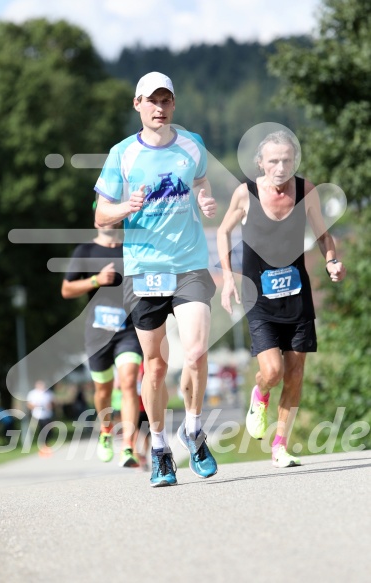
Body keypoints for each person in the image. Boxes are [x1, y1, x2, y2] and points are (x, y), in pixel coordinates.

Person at [94, 71, 218, 487]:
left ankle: (195, 431)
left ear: (173, 105)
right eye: (152, 101)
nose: (159, 108)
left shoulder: (191, 145)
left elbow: (200, 180)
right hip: (145, 269)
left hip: (189, 263)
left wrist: (204, 197)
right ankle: (162, 447)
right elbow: (100, 215)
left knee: (197, 351)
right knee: (156, 365)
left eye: (166, 101)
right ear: (137, 105)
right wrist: (125, 207)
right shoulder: (122, 155)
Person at [217, 130, 346, 468]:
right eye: (273, 160)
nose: (280, 167)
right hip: (259, 297)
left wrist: (331, 260)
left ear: (295, 162)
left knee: (296, 371)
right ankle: (259, 396)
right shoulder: (245, 194)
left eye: (287, 160)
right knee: (272, 371)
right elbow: (222, 231)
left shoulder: (306, 191)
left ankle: (280, 445)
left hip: (297, 294)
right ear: (261, 163)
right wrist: (228, 277)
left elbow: (322, 234)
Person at [61, 225, 143, 468]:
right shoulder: (85, 250)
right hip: (97, 332)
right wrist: (96, 280)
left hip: (128, 328)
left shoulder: (131, 249)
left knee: (128, 382)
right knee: (103, 392)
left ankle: (128, 445)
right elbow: (66, 289)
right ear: (97, 219)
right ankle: (106, 430)